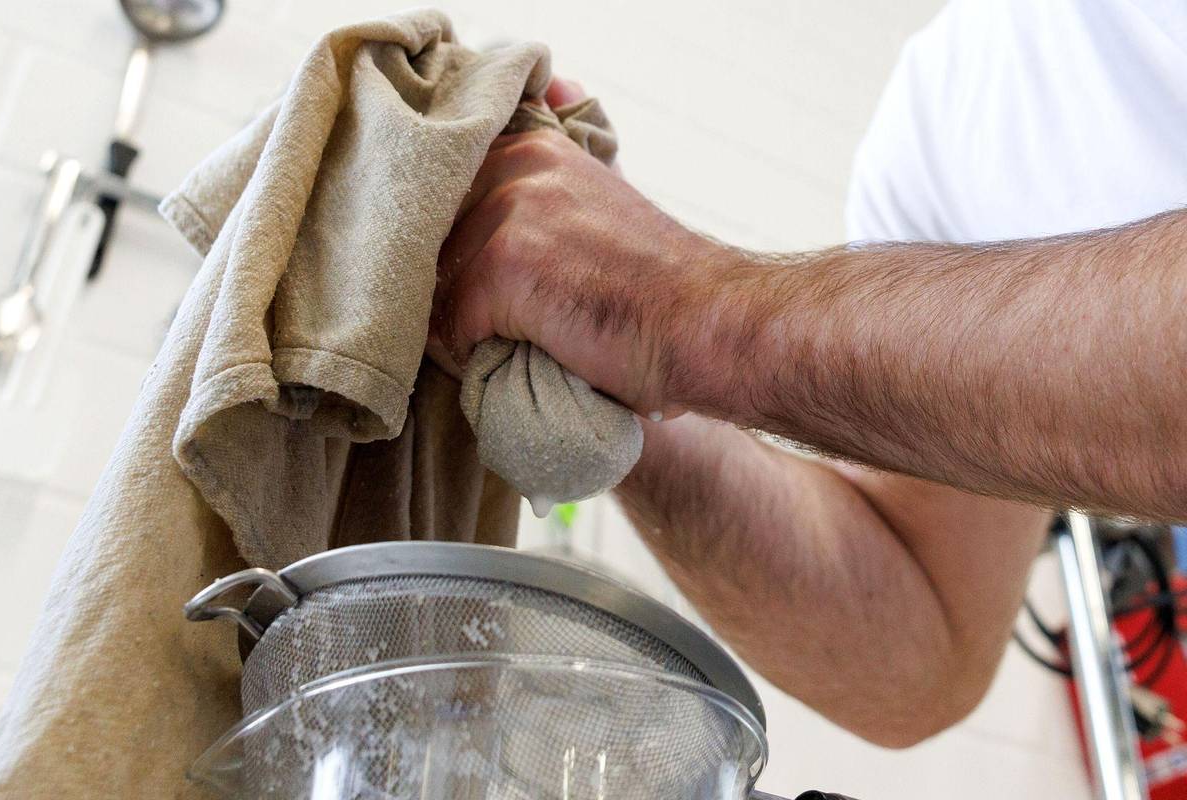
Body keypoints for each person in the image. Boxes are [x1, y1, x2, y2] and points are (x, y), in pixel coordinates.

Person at [430, 0, 1187, 747]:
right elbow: (921, 645)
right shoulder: (951, 111)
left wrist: (688, 315)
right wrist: (599, 354)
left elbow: (689, 323)